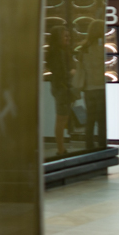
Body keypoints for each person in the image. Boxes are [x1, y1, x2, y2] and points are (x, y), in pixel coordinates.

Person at [75, 20, 108, 149]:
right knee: (102, 120)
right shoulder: (104, 48)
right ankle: (102, 145)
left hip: (88, 89)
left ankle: (88, 145)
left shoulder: (84, 48)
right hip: (101, 87)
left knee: (90, 119)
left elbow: (80, 68)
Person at [46, 24, 73, 155]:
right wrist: (71, 73)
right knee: (61, 120)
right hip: (62, 88)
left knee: (62, 119)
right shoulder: (58, 53)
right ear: (58, 38)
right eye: (65, 36)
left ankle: (61, 148)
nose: (68, 38)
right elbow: (60, 73)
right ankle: (61, 149)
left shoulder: (56, 52)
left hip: (59, 88)